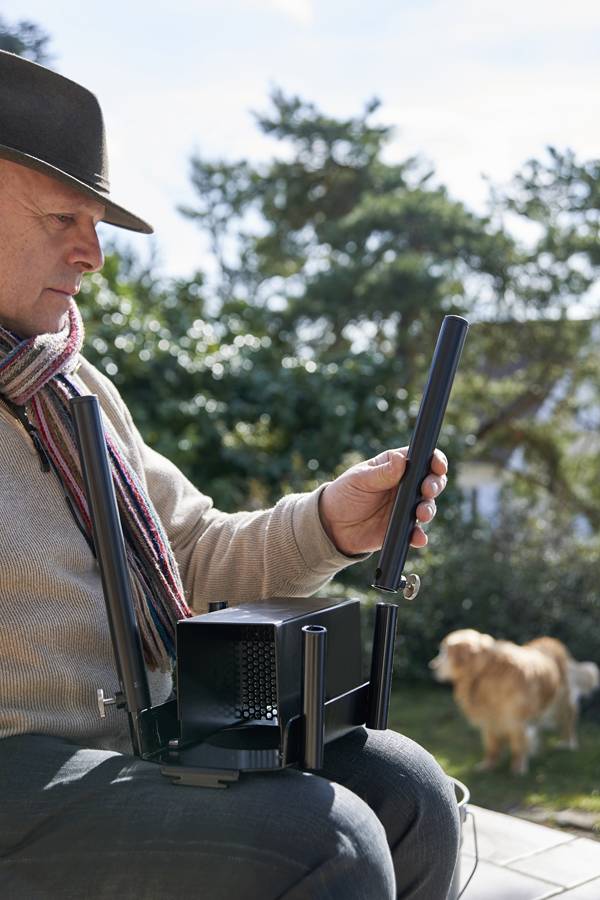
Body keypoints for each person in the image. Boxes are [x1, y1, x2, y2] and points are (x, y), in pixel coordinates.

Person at [0, 50, 459, 900]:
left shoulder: (69, 387)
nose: (93, 254)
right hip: (19, 771)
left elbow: (194, 555)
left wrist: (331, 523)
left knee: (408, 794)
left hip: (139, 740)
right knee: (331, 844)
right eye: (65, 216)